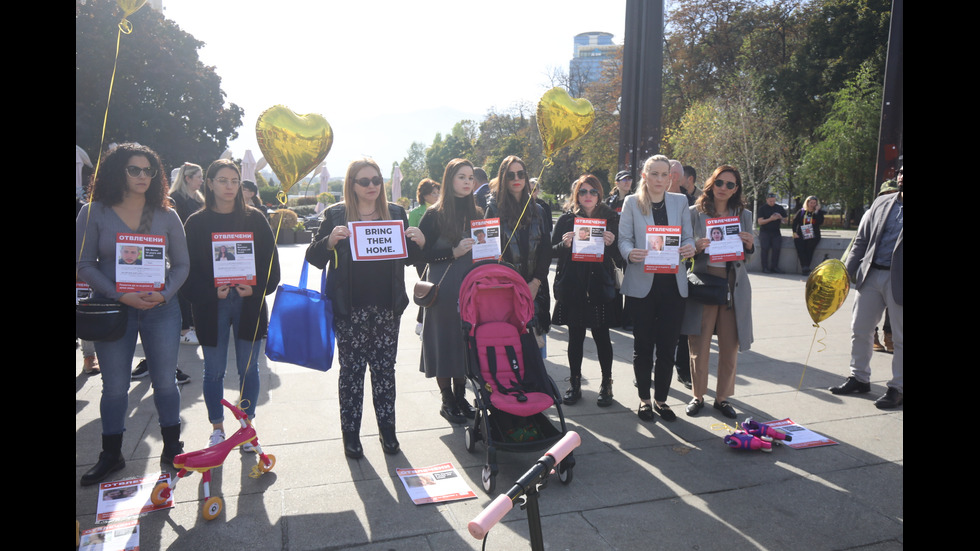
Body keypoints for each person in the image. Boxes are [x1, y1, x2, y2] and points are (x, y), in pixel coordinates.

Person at [75, 143, 188, 485]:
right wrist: (120, 293)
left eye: (149, 171)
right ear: (116, 172)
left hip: (161, 310)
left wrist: (165, 293)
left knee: (166, 382)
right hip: (113, 310)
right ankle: (111, 454)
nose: (142, 176)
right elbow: (84, 264)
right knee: (114, 387)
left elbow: (182, 264)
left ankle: (173, 448)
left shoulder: (167, 214)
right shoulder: (93, 212)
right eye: (134, 169)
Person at [307, 158, 425, 459]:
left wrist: (419, 242)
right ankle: (351, 435)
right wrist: (329, 242)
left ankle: (388, 432)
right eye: (365, 181)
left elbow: (409, 257)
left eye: (376, 180)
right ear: (352, 184)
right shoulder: (336, 215)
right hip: (350, 308)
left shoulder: (396, 212)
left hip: (387, 306)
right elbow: (313, 257)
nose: (372, 186)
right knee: (351, 374)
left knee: (385, 371)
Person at [183, 159, 280, 450]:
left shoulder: (254, 219)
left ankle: (246, 425)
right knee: (213, 370)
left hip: (249, 304)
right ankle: (217, 427)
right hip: (212, 306)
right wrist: (211, 292)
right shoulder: (196, 223)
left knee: (249, 369)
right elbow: (185, 270)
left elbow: (271, 263)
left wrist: (258, 287)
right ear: (209, 183)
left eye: (234, 181)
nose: (229, 186)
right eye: (222, 180)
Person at [619, 155, 696, 422]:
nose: (660, 180)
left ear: (671, 177)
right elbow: (624, 240)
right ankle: (644, 400)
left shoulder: (680, 201)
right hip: (642, 285)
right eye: (654, 174)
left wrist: (690, 247)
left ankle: (662, 400)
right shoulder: (631, 202)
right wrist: (630, 253)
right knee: (643, 346)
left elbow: (687, 236)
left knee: (667, 347)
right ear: (644, 175)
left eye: (665, 175)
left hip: (673, 286)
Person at [682, 165, 754, 420]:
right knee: (698, 345)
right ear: (711, 183)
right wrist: (696, 246)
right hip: (704, 282)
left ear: (736, 189)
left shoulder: (744, 214)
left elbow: (748, 256)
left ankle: (722, 398)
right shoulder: (694, 213)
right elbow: (683, 246)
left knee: (729, 344)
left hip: (733, 285)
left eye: (730, 185)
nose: (724, 188)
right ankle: (698, 395)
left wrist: (749, 244)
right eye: (720, 183)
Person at [829, 166, 903, 409]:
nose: (902, 177)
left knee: (901, 338)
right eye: (901, 172)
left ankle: (897, 388)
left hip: (899, 279)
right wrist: (845, 272)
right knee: (860, 329)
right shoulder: (881, 204)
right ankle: (859, 378)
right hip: (871, 275)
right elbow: (861, 240)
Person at [418, 158, 482, 424]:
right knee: (443, 343)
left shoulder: (477, 213)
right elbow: (420, 255)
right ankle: (447, 400)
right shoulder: (434, 214)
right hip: (443, 288)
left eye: (470, 177)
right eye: (461, 177)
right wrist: (451, 253)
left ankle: (460, 397)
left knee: (464, 343)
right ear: (449, 179)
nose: (467, 182)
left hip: (471, 287)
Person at [552, 174, 621, 407]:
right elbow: (551, 251)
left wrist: (611, 245)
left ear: (600, 194)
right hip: (574, 286)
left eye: (592, 191)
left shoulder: (611, 219)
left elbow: (621, 259)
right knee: (576, 338)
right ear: (576, 195)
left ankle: (606, 384)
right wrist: (564, 244)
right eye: (583, 192)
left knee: (602, 337)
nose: (588, 196)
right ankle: (575, 383)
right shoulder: (566, 219)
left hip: (600, 287)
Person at [485, 156, 553, 356]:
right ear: (503, 178)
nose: (517, 178)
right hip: (505, 288)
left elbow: (546, 249)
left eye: (521, 174)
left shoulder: (538, 209)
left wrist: (536, 282)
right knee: (510, 350)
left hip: (535, 287)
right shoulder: (493, 209)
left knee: (537, 351)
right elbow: (490, 250)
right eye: (511, 175)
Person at [409, 178, 441, 334]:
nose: (436, 195)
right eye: (433, 193)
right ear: (425, 195)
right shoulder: (416, 212)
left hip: (440, 254)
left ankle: (422, 320)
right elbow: (411, 234)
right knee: (426, 286)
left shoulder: (442, 210)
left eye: (437, 192)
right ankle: (422, 321)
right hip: (422, 256)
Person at [793, 195, 825, 274]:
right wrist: (794, 232)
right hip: (801, 234)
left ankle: (806, 267)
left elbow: (820, 222)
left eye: (814, 203)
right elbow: (794, 222)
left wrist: (817, 212)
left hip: (813, 234)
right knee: (801, 250)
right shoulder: (802, 211)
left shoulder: (818, 212)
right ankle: (804, 266)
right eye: (811, 203)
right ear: (807, 203)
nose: (812, 205)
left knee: (809, 250)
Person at [757, 192, 787, 273]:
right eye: (770, 201)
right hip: (765, 232)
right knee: (765, 249)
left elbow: (786, 221)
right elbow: (760, 222)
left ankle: (775, 267)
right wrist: (770, 219)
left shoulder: (779, 208)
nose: (772, 202)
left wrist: (780, 217)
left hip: (776, 232)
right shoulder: (762, 208)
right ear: (767, 200)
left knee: (777, 249)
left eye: (773, 201)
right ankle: (765, 267)